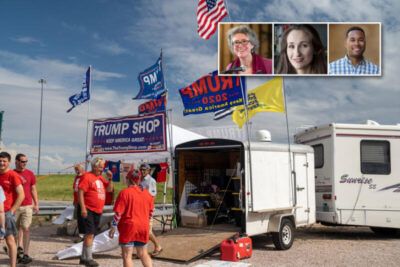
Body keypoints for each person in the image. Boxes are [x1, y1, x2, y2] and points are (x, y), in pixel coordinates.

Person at [109, 170, 154, 267]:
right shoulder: (147, 194)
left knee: (127, 256)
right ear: (138, 180)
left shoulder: (124, 193)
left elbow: (118, 213)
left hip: (129, 227)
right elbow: (151, 213)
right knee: (143, 254)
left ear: (128, 179)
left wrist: (113, 226)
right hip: (143, 226)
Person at [77, 157, 113, 267]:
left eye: (102, 167)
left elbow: (109, 190)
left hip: (97, 210)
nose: (101, 170)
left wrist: (110, 179)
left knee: (90, 234)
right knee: (90, 234)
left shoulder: (100, 178)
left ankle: (83, 257)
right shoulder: (87, 177)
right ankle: (89, 258)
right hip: (89, 209)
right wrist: (83, 208)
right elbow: (80, 192)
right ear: (94, 166)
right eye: (100, 167)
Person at [0, 151, 25, 267]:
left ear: (9, 162)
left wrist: (12, 210)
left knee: (9, 240)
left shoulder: (12, 175)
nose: (1, 163)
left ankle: (13, 265)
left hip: (6, 212)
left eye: (4, 161)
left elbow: (21, 195)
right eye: (0, 160)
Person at [14, 153, 39, 264]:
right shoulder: (11, 173)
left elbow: (33, 189)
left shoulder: (30, 174)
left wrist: (36, 204)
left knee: (26, 228)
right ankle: (15, 250)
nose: (24, 163)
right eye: (22, 161)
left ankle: (26, 253)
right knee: (14, 230)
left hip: (27, 205)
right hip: (14, 206)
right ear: (16, 161)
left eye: (26, 161)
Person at [139, 163, 162, 256]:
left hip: (147, 209)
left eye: (144, 170)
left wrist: (149, 209)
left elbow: (153, 196)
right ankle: (141, 251)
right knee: (141, 230)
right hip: (141, 208)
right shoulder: (140, 180)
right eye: (141, 169)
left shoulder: (151, 181)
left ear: (149, 171)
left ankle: (158, 246)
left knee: (147, 231)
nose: (142, 171)